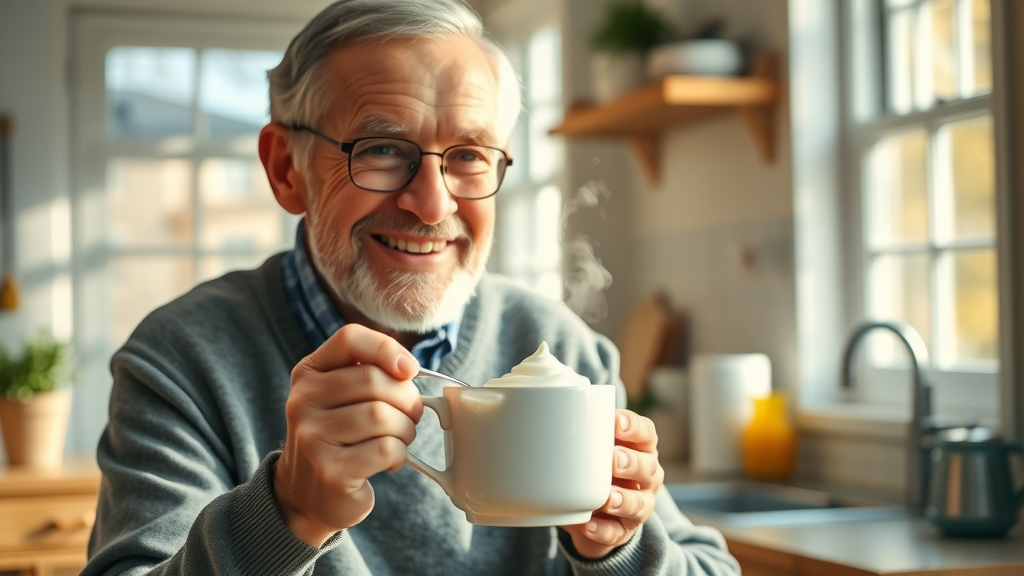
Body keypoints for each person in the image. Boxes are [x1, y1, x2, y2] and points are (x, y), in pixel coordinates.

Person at [83, 1, 741, 574]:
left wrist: (614, 550)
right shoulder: (183, 360)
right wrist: (286, 513)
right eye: (380, 150)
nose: (431, 205)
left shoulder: (561, 348)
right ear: (287, 169)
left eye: (469, 156)